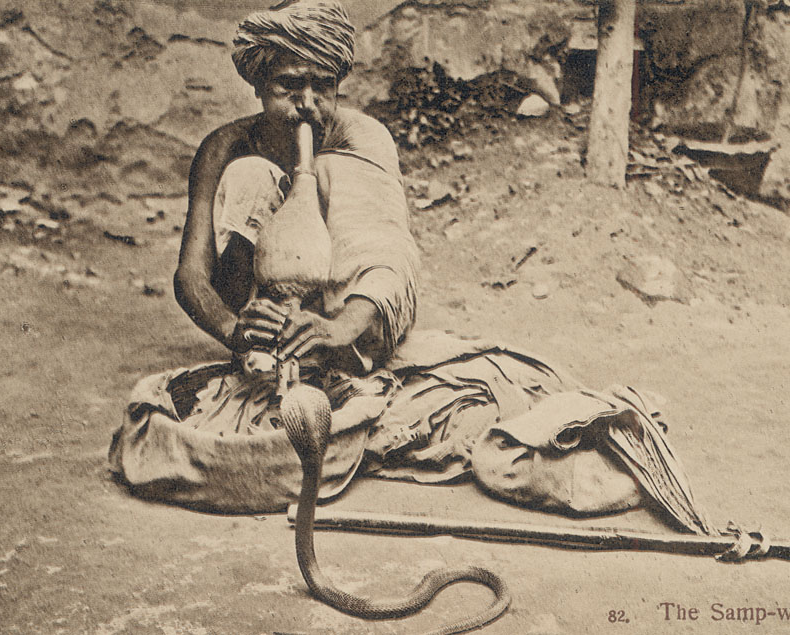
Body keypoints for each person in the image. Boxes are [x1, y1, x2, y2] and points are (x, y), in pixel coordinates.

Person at [109, 1, 715, 537]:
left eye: (324, 87)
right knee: (247, 183)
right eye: (289, 87)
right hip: (261, 334)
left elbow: (389, 250)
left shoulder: (358, 138)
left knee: (465, 417)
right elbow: (191, 277)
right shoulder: (224, 147)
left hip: (348, 325)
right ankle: (283, 375)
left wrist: (343, 326)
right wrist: (234, 330)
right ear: (259, 85)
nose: (308, 105)